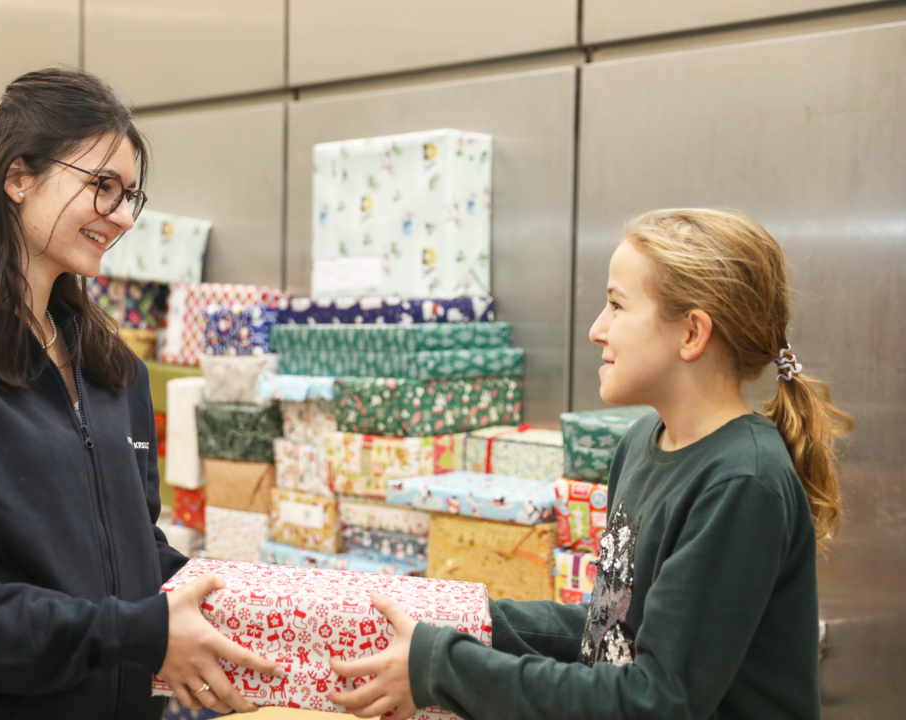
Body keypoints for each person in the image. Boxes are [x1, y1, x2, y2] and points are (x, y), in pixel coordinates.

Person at [0, 68, 277, 719]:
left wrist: (253, 606)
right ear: (17, 178)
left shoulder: (112, 371)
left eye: (130, 196)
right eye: (102, 187)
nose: (122, 216)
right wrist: (136, 633)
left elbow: (130, 548)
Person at [328, 208, 853, 719]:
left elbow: (655, 700)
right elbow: (608, 631)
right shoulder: (642, 442)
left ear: (692, 333)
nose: (597, 330)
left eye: (617, 306)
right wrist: (464, 618)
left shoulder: (741, 483)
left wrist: (441, 667)